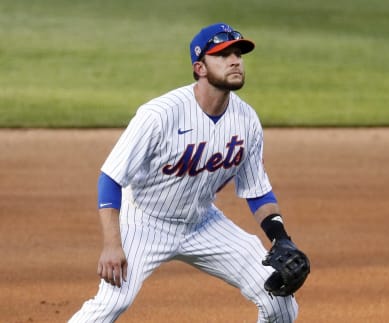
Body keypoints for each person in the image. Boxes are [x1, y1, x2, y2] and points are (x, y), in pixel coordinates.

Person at [69, 22, 309, 322]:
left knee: (280, 303)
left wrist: (281, 238)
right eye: (223, 55)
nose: (235, 60)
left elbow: (257, 190)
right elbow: (111, 178)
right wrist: (112, 245)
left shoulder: (246, 119)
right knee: (111, 304)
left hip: (202, 222)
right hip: (145, 221)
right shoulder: (159, 115)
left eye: (238, 53)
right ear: (200, 67)